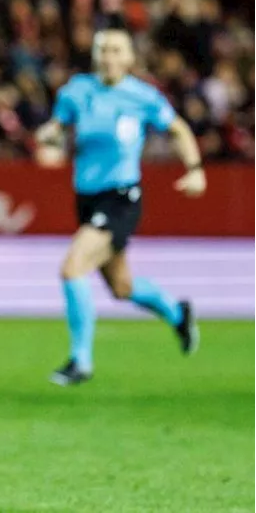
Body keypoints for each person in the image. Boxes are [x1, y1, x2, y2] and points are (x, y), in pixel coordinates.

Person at [33, 28, 204, 387]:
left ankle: (81, 361)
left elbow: (179, 130)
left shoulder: (142, 97)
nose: (109, 56)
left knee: (72, 267)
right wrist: (49, 135)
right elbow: (57, 128)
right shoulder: (76, 91)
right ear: (96, 56)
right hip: (88, 198)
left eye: (116, 50)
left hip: (121, 197)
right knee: (122, 287)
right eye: (103, 49)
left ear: (129, 58)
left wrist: (194, 169)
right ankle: (177, 313)